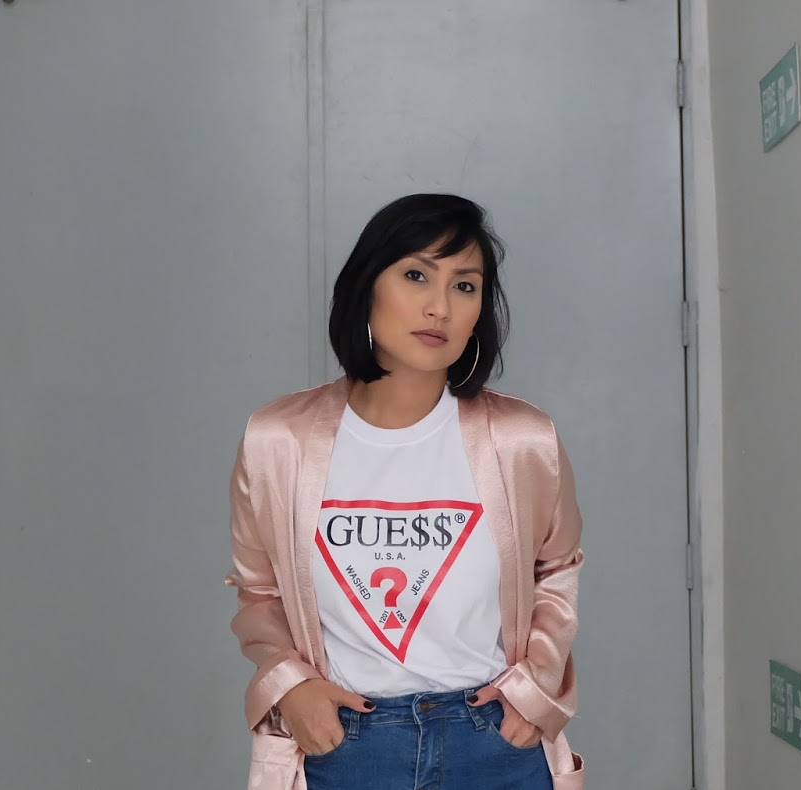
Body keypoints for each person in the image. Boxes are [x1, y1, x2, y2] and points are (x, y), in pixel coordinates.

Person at [225, 193, 585, 789]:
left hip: (494, 744)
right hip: (344, 749)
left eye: (464, 286)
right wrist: (292, 687)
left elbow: (557, 569)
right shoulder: (278, 441)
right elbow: (259, 589)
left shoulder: (523, 441)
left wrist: (535, 690)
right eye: (416, 275)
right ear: (367, 286)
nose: (439, 306)